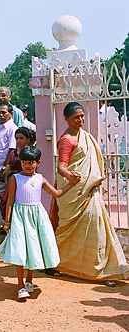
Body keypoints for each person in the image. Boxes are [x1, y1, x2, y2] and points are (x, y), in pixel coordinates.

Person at [51, 102, 129, 284]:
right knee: (69, 230)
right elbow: (61, 167)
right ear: (66, 119)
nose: (80, 120)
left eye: (82, 116)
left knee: (98, 227)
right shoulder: (67, 139)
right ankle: (54, 261)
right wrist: (69, 174)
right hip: (74, 193)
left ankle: (104, 270)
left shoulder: (85, 137)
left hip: (89, 191)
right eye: (75, 117)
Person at [0, 146, 74, 299]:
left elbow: (57, 194)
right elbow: (10, 200)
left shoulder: (40, 179)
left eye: (31, 162)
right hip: (19, 218)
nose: (28, 165)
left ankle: (29, 281)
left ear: (38, 163)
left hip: (36, 218)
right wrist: (7, 221)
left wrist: (72, 183)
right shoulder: (16, 178)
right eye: (24, 162)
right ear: (21, 162)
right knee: (19, 250)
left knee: (32, 249)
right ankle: (20, 286)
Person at [0, 102, 18, 232]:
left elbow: (11, 150)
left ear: (10, 114)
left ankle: (7, 225)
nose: (1, 115)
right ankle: (2, 224)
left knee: (3, 198)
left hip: (2, 168)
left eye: (4, 112)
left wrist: (5, 168)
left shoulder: (12, 128)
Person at [0, 127, 36, 219]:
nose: (18, 140)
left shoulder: (30, 153)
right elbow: (10, 166)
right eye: (16, 138)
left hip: (25, 183)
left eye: (21, 138)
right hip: (12, 182)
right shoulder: (13, 153)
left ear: (28, 140)